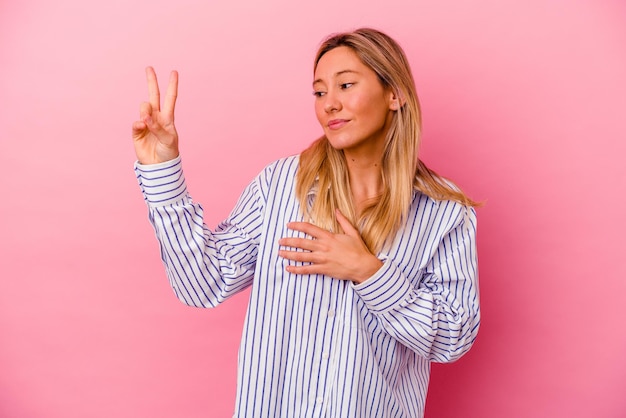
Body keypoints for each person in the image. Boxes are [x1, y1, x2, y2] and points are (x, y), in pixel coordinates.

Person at [132, 28, 480, 418]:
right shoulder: (280, 186)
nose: (329, 104)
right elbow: (201, 284)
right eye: (319, 92)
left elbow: (454, 337)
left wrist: (370, 272)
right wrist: (161, 169)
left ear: (394, 94)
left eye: (345, 85)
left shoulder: (444, 212)